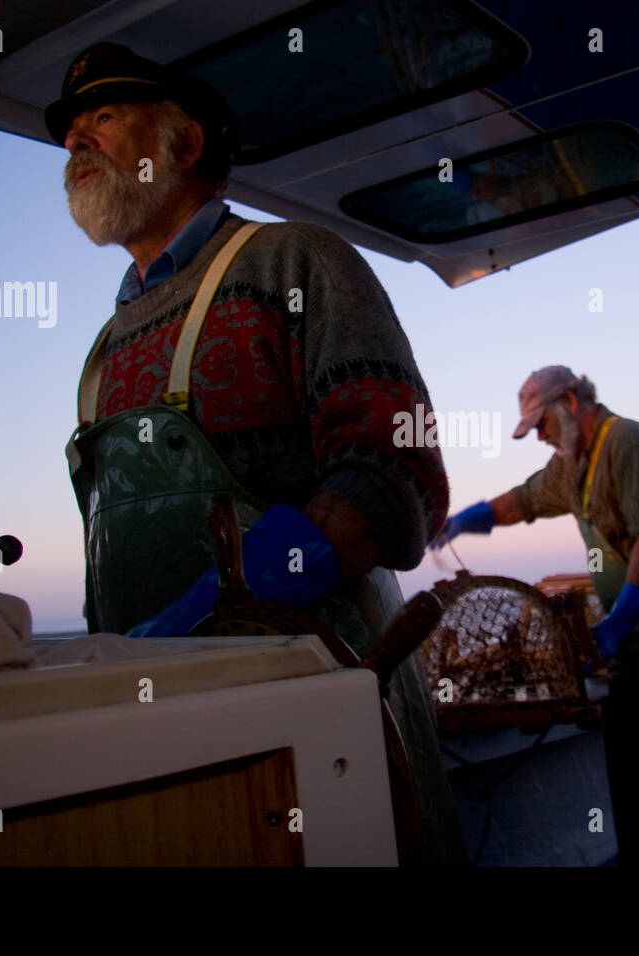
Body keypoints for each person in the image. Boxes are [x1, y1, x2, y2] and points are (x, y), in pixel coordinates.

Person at [49, 42, 466, 865]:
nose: (75, 142)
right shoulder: (103, 350)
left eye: (102, 116)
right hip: (171, 736)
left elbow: (402, 474)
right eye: (69, 131)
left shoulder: (297, 261)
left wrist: (245, 589)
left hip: (328, 719)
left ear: (185, 144)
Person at [431, 366, 639, 865]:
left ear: (569, 400)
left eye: (541, 425)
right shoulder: (571, 464)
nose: (540, 437)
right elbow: (523, 500)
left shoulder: (630, 441)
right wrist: (462, 522)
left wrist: (618, 622)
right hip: (631, 639)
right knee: (636, 768)